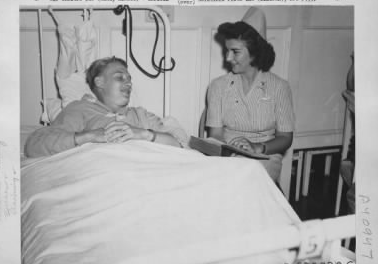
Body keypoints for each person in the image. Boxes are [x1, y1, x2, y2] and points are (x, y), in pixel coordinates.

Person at [25, 57, 186, 158]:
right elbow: (34, 145)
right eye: (120, 77)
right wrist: (89, 137)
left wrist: (143, 134)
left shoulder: (141, 115)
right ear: (99, 82)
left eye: (129, 79)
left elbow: (180, 145)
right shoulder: (80, 109)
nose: (128, 83)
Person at [206, 21, 295, 181]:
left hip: (265, 155)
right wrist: (232, 150)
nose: (228, 58)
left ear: (254, 52)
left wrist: (257, 148)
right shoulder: (218, 86)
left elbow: (285, 138)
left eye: (235, 52)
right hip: (228, 154)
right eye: (227, 51)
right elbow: (215, 135)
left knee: (251, 176)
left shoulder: (279, 87)